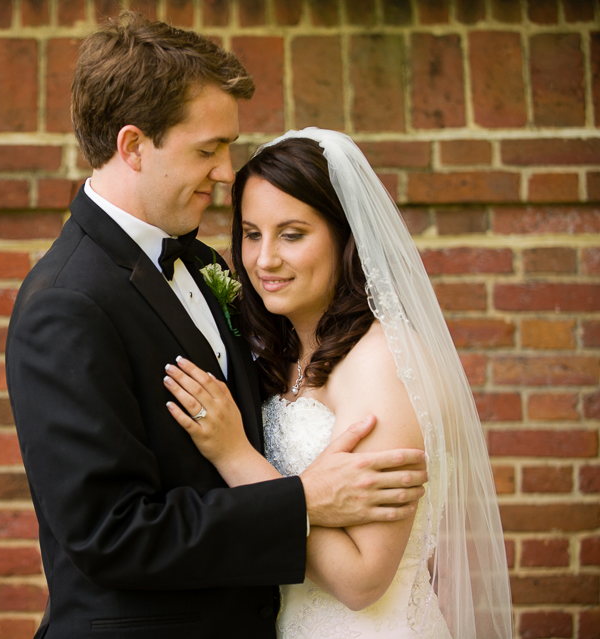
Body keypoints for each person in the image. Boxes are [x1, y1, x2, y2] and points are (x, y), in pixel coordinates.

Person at [5, 15, 428, 639]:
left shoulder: (202, 264)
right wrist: (304, 500)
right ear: (133, 146)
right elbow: (111, 534)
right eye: (207, 150)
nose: (228, 171)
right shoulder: (66, 303)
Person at [164, 128, 513, 638]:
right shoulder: (279, 353)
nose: (264, 261)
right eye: (252, 233)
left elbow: (362, 578)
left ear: (346, 236)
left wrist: (234, 455)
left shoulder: (383, 362)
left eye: (292, 234)